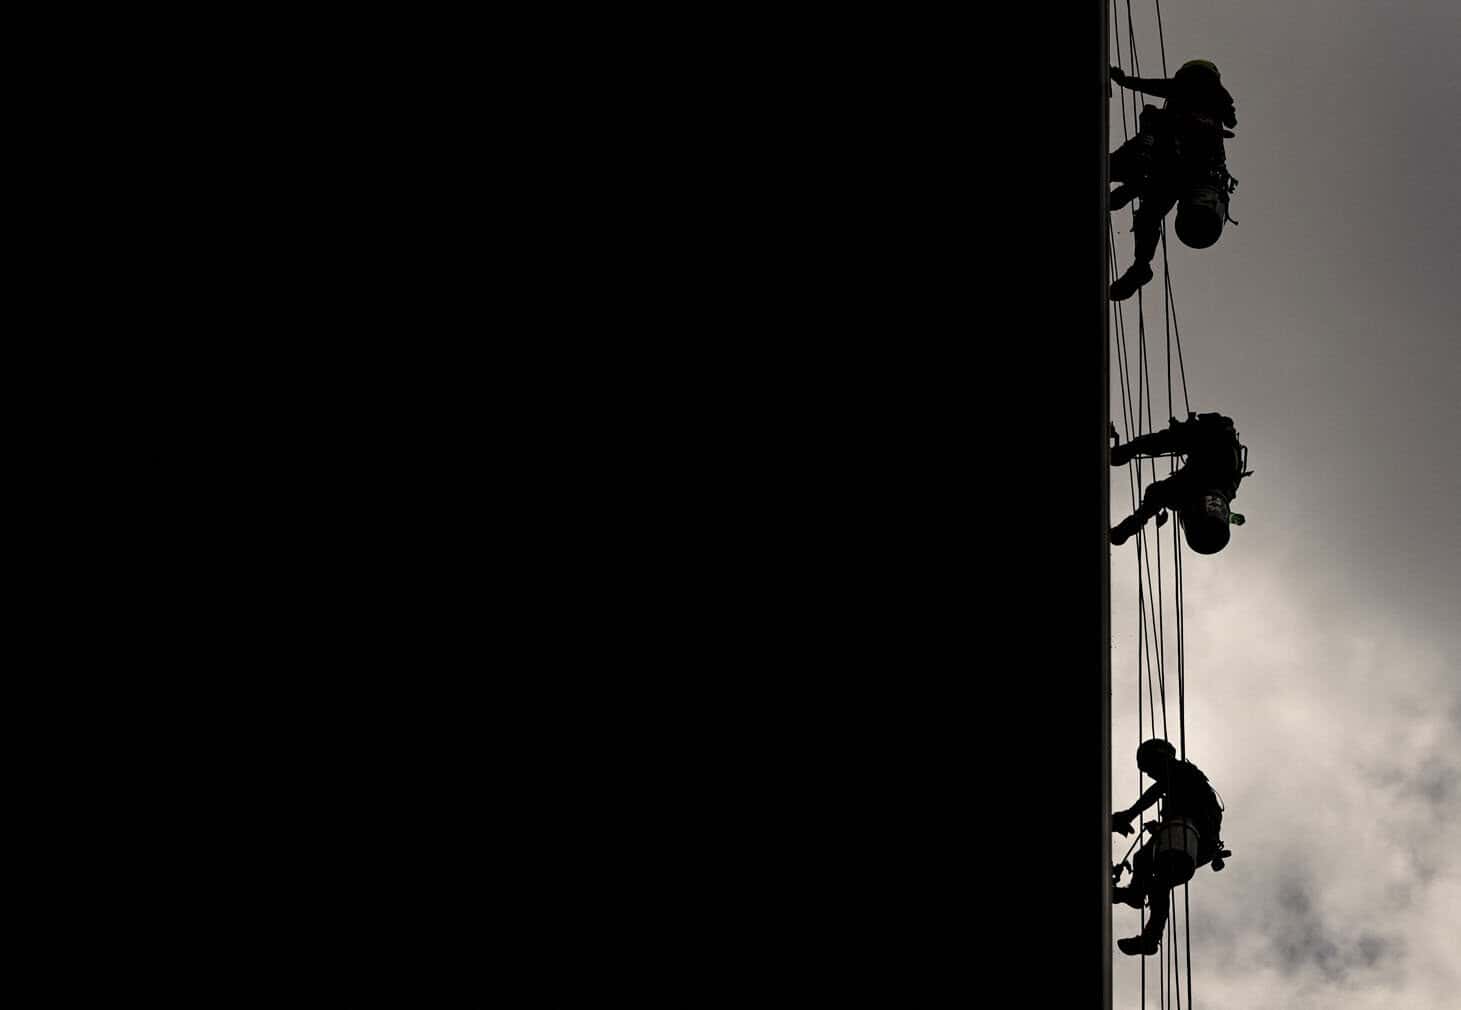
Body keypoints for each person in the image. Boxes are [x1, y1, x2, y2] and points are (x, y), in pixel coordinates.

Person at [1108, 60, 1239, 300]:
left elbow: (1156, 88)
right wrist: (1124, 81)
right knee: (1147, 211)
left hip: (1167, 167)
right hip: (1171, 170)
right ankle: (1140, 265)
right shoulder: (1213, 104)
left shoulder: (1192, 103)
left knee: (1145, 204)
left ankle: (1140, 264)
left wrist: (1125, 81)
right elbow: (1155, 88)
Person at [1111, 739, 1228, 956]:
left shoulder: (1179, 770)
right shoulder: (1185, 782)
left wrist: (1128, 815)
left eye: (1148, 768)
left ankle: (1139, 906)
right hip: (1197, 842)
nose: (1149, 774)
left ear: (1159, 757)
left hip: (1190, 835)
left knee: (1159, 876)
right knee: (1145, 863)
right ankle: (1139, 904)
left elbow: (1156, 790)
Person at [1109, 412, 1251, 554]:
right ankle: (1121, 453)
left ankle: (1122, 453)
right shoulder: (1207, 483)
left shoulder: (1216, 491)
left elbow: (1160, 494)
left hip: (1211, 448)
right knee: (1160, 446)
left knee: (1159, 451)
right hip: (1212, 442)